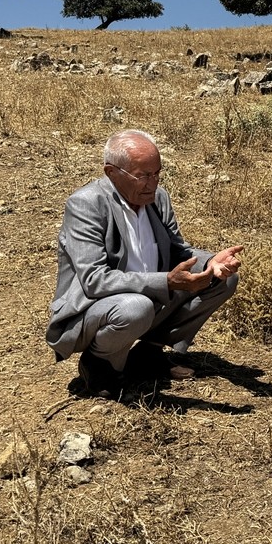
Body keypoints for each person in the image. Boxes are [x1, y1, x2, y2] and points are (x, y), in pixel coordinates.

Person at [46, 129, 244, 398]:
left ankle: (147, 354)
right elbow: (94, 280)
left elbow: (178, 251)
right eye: (142, 176)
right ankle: (98, 363)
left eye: (156, 174)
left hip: (148, 299)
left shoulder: (157, 198)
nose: (152, 183)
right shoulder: (86, 204)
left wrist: (211, 261)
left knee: (223, 279)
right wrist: (165, 282)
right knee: (136, 306)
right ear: (111, 172)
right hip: (94, 310)